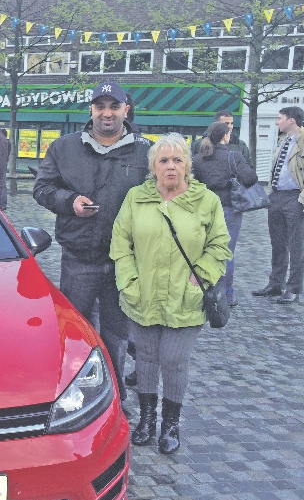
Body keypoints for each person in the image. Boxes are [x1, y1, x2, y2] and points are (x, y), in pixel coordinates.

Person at [111, 133, 230, 455]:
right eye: (164, 160)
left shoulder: (207, 201)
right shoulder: (137, 197)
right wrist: (129, 280)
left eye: (177, 160)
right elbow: (121, 243)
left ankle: (170, 424)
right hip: (143, 294)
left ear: (188, 165)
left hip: (186, 296)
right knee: (147, 359)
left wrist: (201, 275)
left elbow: (219, 245)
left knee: (174, 360)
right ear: (153, 166)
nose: (171, 167)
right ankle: (147, 420)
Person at [33, 82, 151, 400]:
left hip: (124, 260)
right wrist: (68, 200)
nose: (107, 113)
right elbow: (42, 187)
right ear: (91, 110)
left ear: (126, 109)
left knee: (116, 333)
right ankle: (74, 391)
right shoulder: (64, 147)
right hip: (79, 256)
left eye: (114, 106)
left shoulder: (146, 151)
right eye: (100, 106)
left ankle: (113, 395)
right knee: (75, 330)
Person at [192, 121, 257, 307]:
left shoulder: (198, 159)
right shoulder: (233, 156)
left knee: (202, 251)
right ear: (225, 136)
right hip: (229, 208)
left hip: (203, 209)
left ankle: (202, 290)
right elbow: (250, 178)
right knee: (226, 252)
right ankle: (226, 295)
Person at [253, 106, 304, 304]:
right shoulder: (283, 140)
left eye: (279, 118)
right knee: (277, 242)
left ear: (291, 120)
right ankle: (275, 283)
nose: (277, 122)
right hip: (277, 196)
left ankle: (293, 288)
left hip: (295, 197)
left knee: (296, 245)